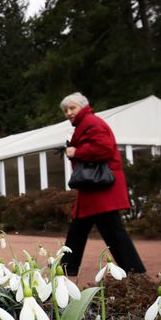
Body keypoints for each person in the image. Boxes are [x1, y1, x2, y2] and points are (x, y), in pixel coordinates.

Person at [59, 92, 146, 276]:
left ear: (83, 106)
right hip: (95, 189)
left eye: (72, 108)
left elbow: (104, 149)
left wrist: (77, 152)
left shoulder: (91, 123)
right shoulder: (87, 123)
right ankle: (67, 269)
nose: (68, 112)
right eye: (66, 110)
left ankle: (134, 271)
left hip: (100, 189)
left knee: (106, 230)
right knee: (82, 229)